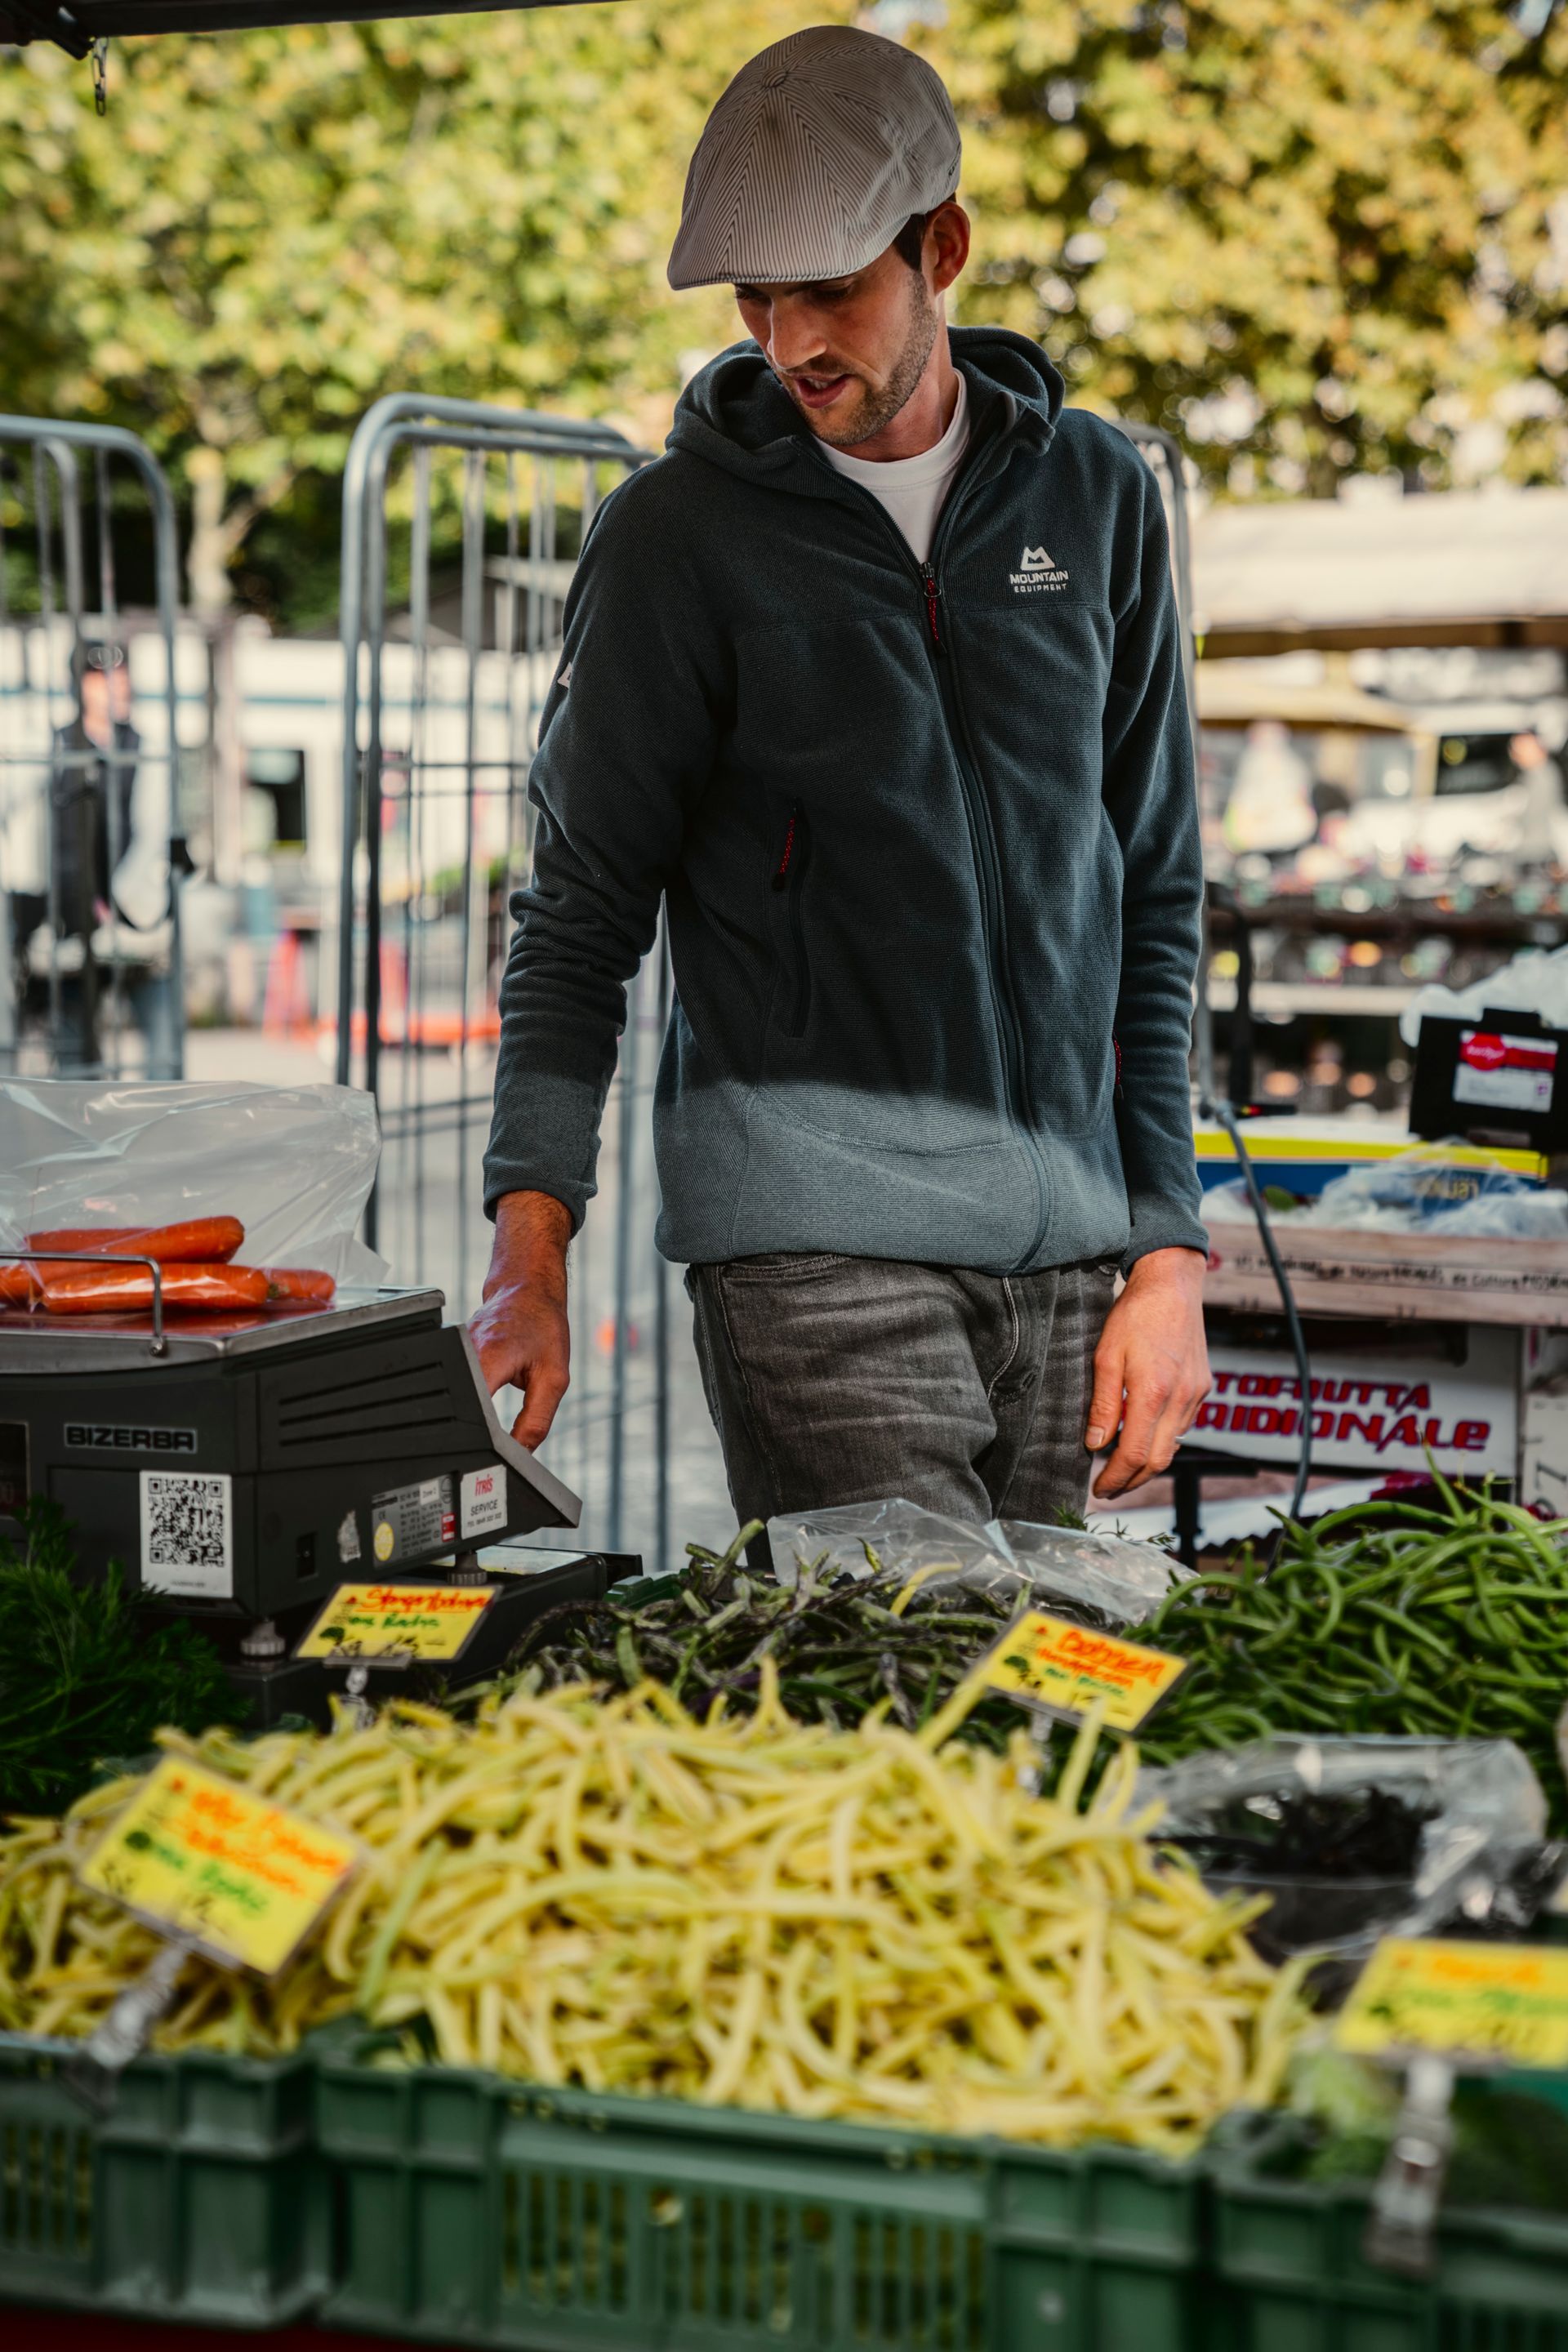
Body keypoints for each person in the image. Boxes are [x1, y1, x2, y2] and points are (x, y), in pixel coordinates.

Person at [473, 24, 1210, 1535]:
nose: (786, 336)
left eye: (832, 289)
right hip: (815, 1260)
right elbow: (580, 912)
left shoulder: (1102, 497)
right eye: (756, 296)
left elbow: (1152, 885)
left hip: (1075, 1266)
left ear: (943, 247)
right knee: (900, 1710)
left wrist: (1167, 1253)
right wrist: (525, 1259)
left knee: (1047, 1735)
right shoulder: (679, 538)